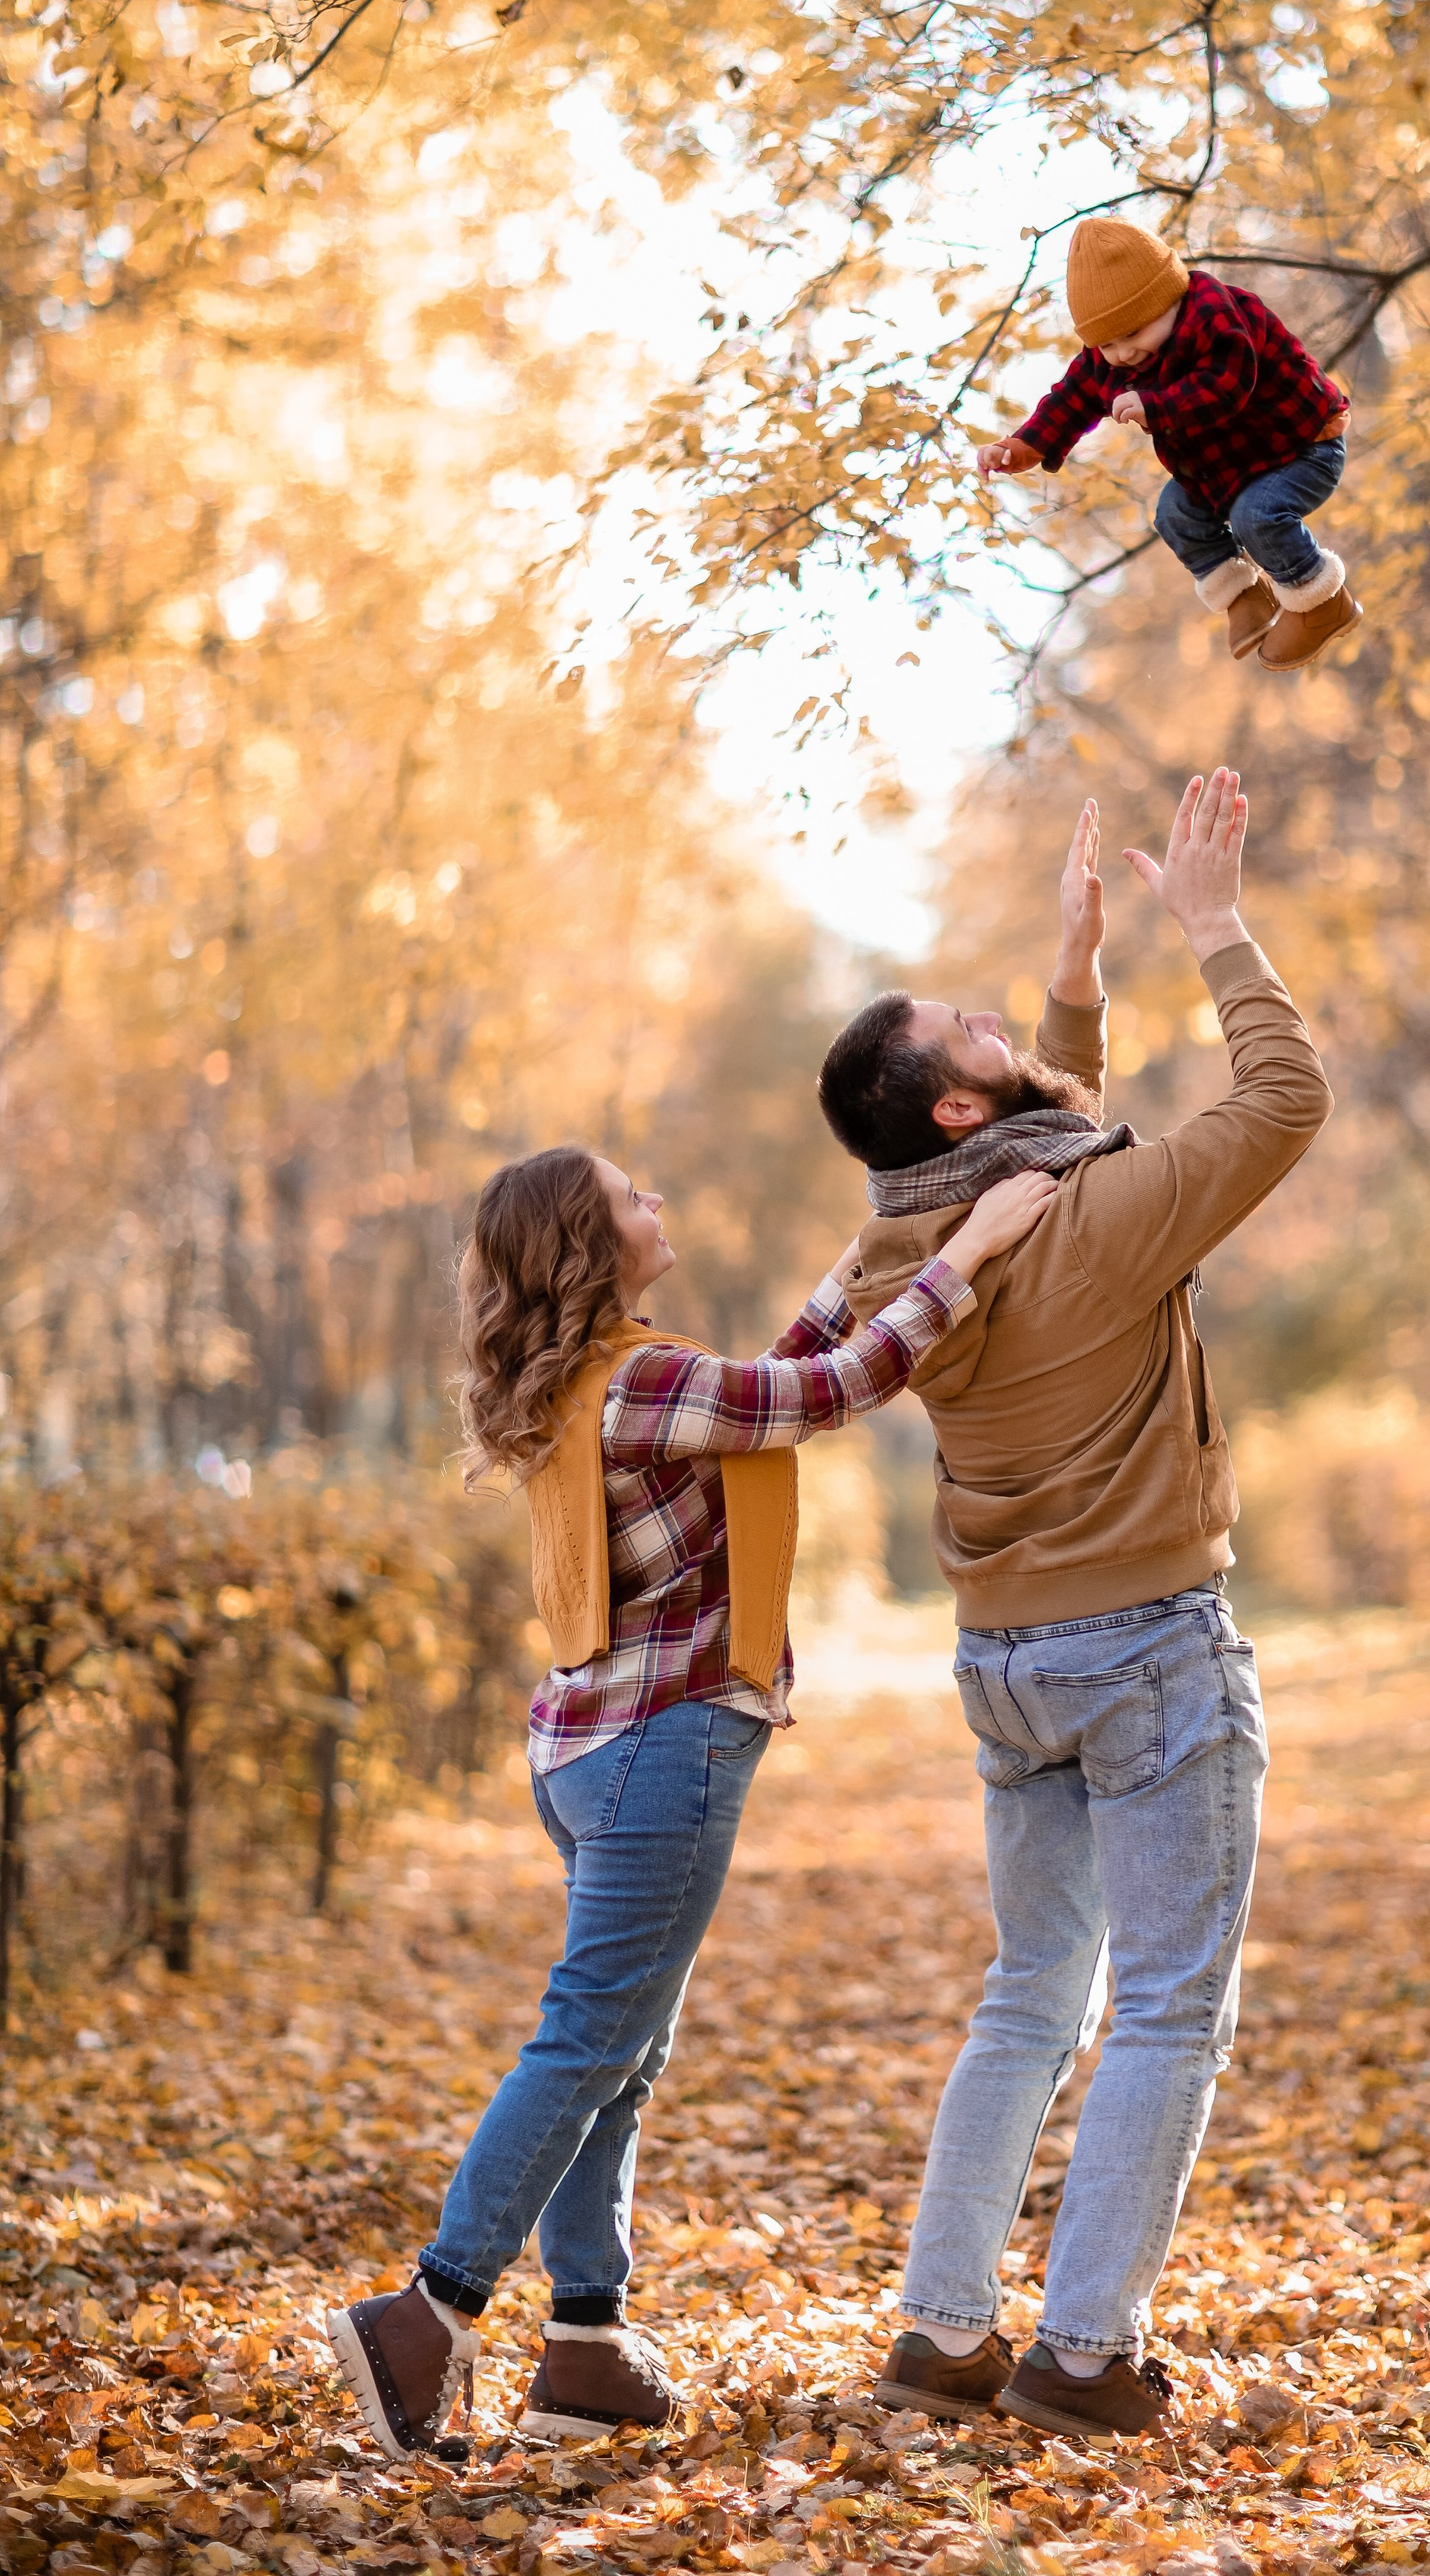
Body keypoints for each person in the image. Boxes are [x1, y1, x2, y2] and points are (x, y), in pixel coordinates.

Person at [325, 1142, 1057, 2460]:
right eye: (631, 1196)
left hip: (592, 1750)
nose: (658, 1199)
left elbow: (766, 1390)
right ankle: (427, 2314)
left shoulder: (607, 1381)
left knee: (621, 2054)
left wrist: (862, 1261)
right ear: (590, 1246)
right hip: (665, 1748)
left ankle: (588, 2346)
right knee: (589, 2041)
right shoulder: (642, 1381)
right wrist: (971, 1253)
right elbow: (824, 1393)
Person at [816, 772, 1332, 2441]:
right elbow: (1283, 1099)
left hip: (1007, 1665)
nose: (993, 1018)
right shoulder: (1097, 1224)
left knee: (1031, 1990)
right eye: (967, 1026)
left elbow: (1058, 1142)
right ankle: (1085, 2351)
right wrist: (1213, 929)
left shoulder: (912, 1257)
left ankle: (945, 2326)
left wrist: (1071, 979)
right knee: (1170, 2002)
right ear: (956, 1114)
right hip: (1150, 1659)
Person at [975, 218, 1362, 671]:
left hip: (1301, 446)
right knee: (1174, 515)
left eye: (1134, 335)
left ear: (1169, 299)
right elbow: (1072, 398)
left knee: (1255, 516)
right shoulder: (1113, 355)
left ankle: (1321, 601)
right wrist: (1025, 445)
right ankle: (1245, 598)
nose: (1122, 355)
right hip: (1227, 466)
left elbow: (1227, 385)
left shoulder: (1216, 315)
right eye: (1107, 345)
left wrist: (1157, 406)